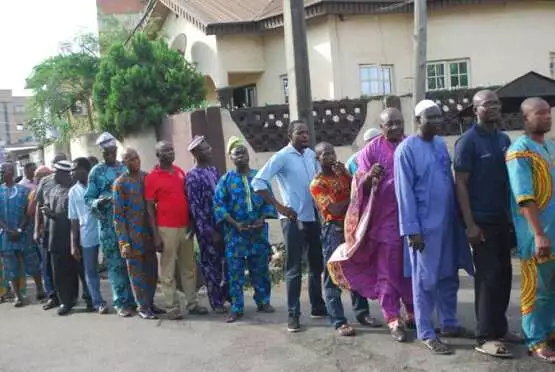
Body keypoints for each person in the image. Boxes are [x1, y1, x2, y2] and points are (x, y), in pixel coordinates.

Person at [394, 100, 474, 355]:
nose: (438, 122)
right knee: (425, 280)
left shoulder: (440, 144)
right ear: (418, 121)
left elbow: (449, 182)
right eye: (432, 118)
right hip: (424, 228)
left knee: (449, 276)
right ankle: (426, 331)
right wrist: (412, 230)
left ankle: (449, 323)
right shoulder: (405, 150)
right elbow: (403, 193)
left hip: (448, 223)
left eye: (440, 117)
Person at [334, 108, 414, 342]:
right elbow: (358, 187)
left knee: (411, 269)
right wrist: (369, 176)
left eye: (399, 122)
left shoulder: (411, 145)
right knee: (388, 272)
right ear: (381, 127)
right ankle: (392, 319)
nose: (396, 127)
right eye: (390, 124)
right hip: (385, 222)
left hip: (410, 220)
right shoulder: (370, 150)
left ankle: (413, 313)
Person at [454, 90, 520, 357]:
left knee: (504, 276)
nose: (492, 107)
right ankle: (484, 337)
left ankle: (500, 327)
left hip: (503, 219)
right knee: (488, 279)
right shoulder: (467, 142)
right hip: (482, 222)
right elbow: (460, 184)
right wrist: (470, 224)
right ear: (475, 110)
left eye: (496, 103)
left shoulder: (503, 139)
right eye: (486, 104)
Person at [252, 120, 326, 333]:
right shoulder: (282, 156)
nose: (305, 136)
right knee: (293, 268)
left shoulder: (312, 155)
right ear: (290, 135)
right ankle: (293, 315)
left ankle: (318, 306)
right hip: (293, 220)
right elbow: (258, 182)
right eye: (300, 133)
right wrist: (280, 207)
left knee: (315, 264)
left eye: (306, 132)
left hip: (313, 218)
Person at [506, 97, 555, 363]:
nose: (547, 117)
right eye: (540, 113)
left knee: (552, 288)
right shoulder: (519, 151)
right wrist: (538, 233)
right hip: (535, 234)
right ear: (526, 119)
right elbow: (524, 197)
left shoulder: (549, 146)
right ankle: (535, 339)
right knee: (535, 287)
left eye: (548, 112)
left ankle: (549, 331)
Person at [213, 137, 277, 323]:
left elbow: (269, 201)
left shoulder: (259, 178)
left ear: (248, 155)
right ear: (231, 158)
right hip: (235, 235)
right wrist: (234, 224)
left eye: (243, 152)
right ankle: (237, 307)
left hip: (257, 233)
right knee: (235, 272)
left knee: (260, 269)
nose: (241, 156)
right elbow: (218, 205)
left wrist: (262, 218)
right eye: (236, 153)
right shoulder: (225, 180)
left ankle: (263, 301)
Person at [145, 141, 208, 319]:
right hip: (166, 229)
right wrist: (156, 234)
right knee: (168, 270)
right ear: (158, 155)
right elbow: (149, 208)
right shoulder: (152, 177)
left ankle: (192, 303)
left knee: (189, 267)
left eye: (171, 149)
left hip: (184, 227)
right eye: (165, 150)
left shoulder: (180, 172)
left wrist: (191, 223)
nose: (170, 152)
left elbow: (187, 199)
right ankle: (172, 307)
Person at [311, 142, 363, 337]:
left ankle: (362, 313)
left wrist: (349, 178)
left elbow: (357, 189)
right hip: (333, 230)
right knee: (333, 274)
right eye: (325, 154)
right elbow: (334, 209)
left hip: (351, 227)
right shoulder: (317, 183)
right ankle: (339, 321)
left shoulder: (342, 174)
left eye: (332, 152)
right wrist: (354, 197)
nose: (330, 156)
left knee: (356, 269)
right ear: (318, 159)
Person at [85, 132, 135, 317]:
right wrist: (99, 202)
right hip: (108, 227)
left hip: (129, 225)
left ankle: (135, 299)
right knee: (115, 266)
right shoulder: (96, 172)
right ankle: (121, 303)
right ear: (101, 153)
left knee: (130, 262)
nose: (110, 155)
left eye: (113, 151)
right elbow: (88, 198)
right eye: (106, 152)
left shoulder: (124, 168)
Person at [114, 148, 161, 320]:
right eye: (130, 159)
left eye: (137, 157)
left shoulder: (146, 177)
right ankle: (142, 307)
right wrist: (124, 243)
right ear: (124, 162)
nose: (135, 161)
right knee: (137, 274)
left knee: (152, 271)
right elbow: (118, 217)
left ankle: (150, 303)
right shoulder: (120, 183)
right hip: (132, 239)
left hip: (149, 235)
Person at [43, 160, 91, 315]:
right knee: (60, 272)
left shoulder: (77, 191)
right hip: (56, 238)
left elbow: (75, 216)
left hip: (75, 237)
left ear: (66, 174)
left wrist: (54, 215)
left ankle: (90, 298)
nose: (54, 175)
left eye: (57, 173)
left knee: (82, 271)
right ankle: (65, 301)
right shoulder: (52, 190)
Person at [186, 136, 228, 313]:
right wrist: (209, 232)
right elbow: (195, 209)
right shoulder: (192, 177)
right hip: (208, 230)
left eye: (209, 147)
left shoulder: (213, 170)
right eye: (205, 148)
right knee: (211, 267)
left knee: (226, 264)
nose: (210, 150)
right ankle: (216, 302)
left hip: (223, 225)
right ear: (195, 153)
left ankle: (227, 296)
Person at [0, 162, 44, 307]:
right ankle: (18, 296)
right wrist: (7, 230)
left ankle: (40, 289)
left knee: (32, 263)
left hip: (24, 233)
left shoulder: (24, 191)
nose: (1, 174)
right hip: (7, 235)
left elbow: (29, 212)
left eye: (3, 171)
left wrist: (19, 229)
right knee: (10, 266)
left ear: (11, 172)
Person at [68, 157, 108, 315]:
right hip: (86, 235)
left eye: (74, 169)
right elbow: (73, 220)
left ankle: (124, 299)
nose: (72, 172)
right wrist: (73, 244)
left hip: (105, 231)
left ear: (84, 170)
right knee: (90, 271)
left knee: (114, 266)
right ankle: (98, 302)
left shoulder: (99, 183)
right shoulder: (73, 192)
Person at [34, 154, 67, 310]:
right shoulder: (45, 182)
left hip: (67, 229)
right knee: (48, 265)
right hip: (49, 230)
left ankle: (67, 296)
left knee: (67, 265)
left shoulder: (71, 180)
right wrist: (36, 229)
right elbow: (38, 207)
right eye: (56, 163)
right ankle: (52, 296)